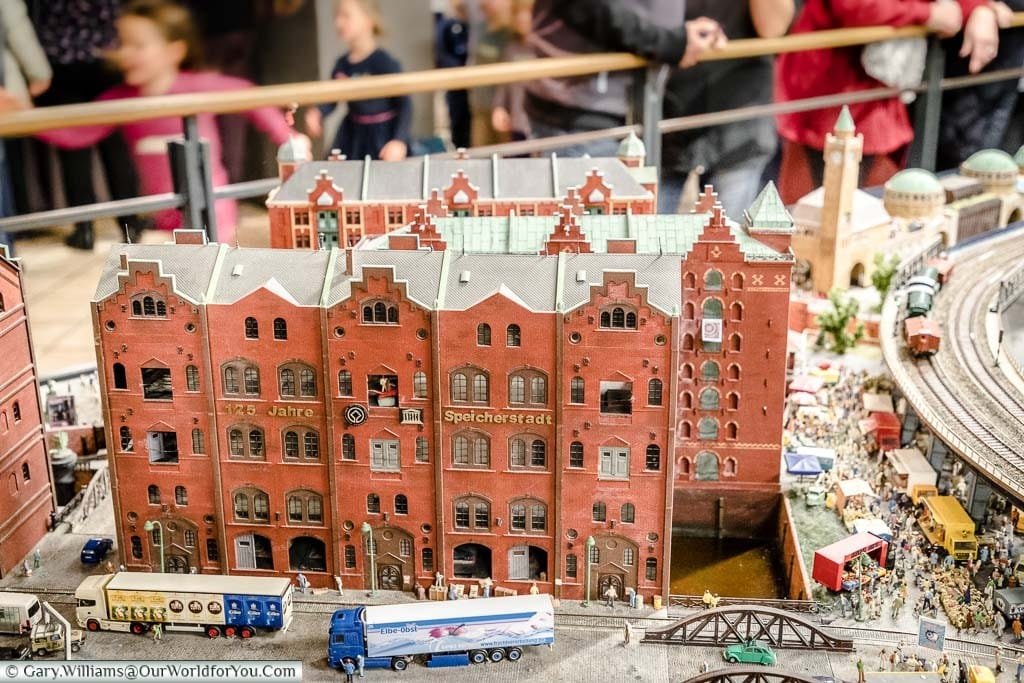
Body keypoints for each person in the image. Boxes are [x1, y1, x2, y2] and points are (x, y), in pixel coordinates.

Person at [34, 0, 296, 245]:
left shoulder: (196, 87)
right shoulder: (120, 100)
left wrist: (289, 140)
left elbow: (250, 96)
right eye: (122, 43)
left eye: (137, 46)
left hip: (210, 207)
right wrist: (27, 115)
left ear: (174, 51)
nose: (125, 53)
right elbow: (77, 133)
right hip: (161, 213)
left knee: (210, 273)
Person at [774, 0, 990, 204]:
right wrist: (928, 13)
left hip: (875, 94)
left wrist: (979, 9)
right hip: (829, 90)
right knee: (815, 205)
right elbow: (854, 7)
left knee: (866, 205)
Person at [526, 0, 726, 157]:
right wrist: (666, 42)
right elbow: (584, 7)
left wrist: (692, 35)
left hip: (640, 107)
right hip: (582, 110)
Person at [660, 0, 794, 217]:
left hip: (739, 118)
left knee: (728, 244)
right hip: (663, 113)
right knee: (643, 242)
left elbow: (773, 28)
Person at [304, 0, 411, 161]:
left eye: (346, 16)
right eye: (337, 16)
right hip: (352, 136)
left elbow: (405, 105)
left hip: (382, 136)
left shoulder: (384, 62)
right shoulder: (342, 64)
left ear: (368, 20)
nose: (338, 22)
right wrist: (318, 112)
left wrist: (398, 140)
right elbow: (332, 98)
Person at [490, 0, 534, 146]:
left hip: (541, 123)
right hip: (517, 121)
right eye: (517, 14)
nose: (522, 18)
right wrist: (499, 107)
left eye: (526, 13)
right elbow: (504, 83)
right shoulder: (511, 49)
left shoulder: (546, 48)